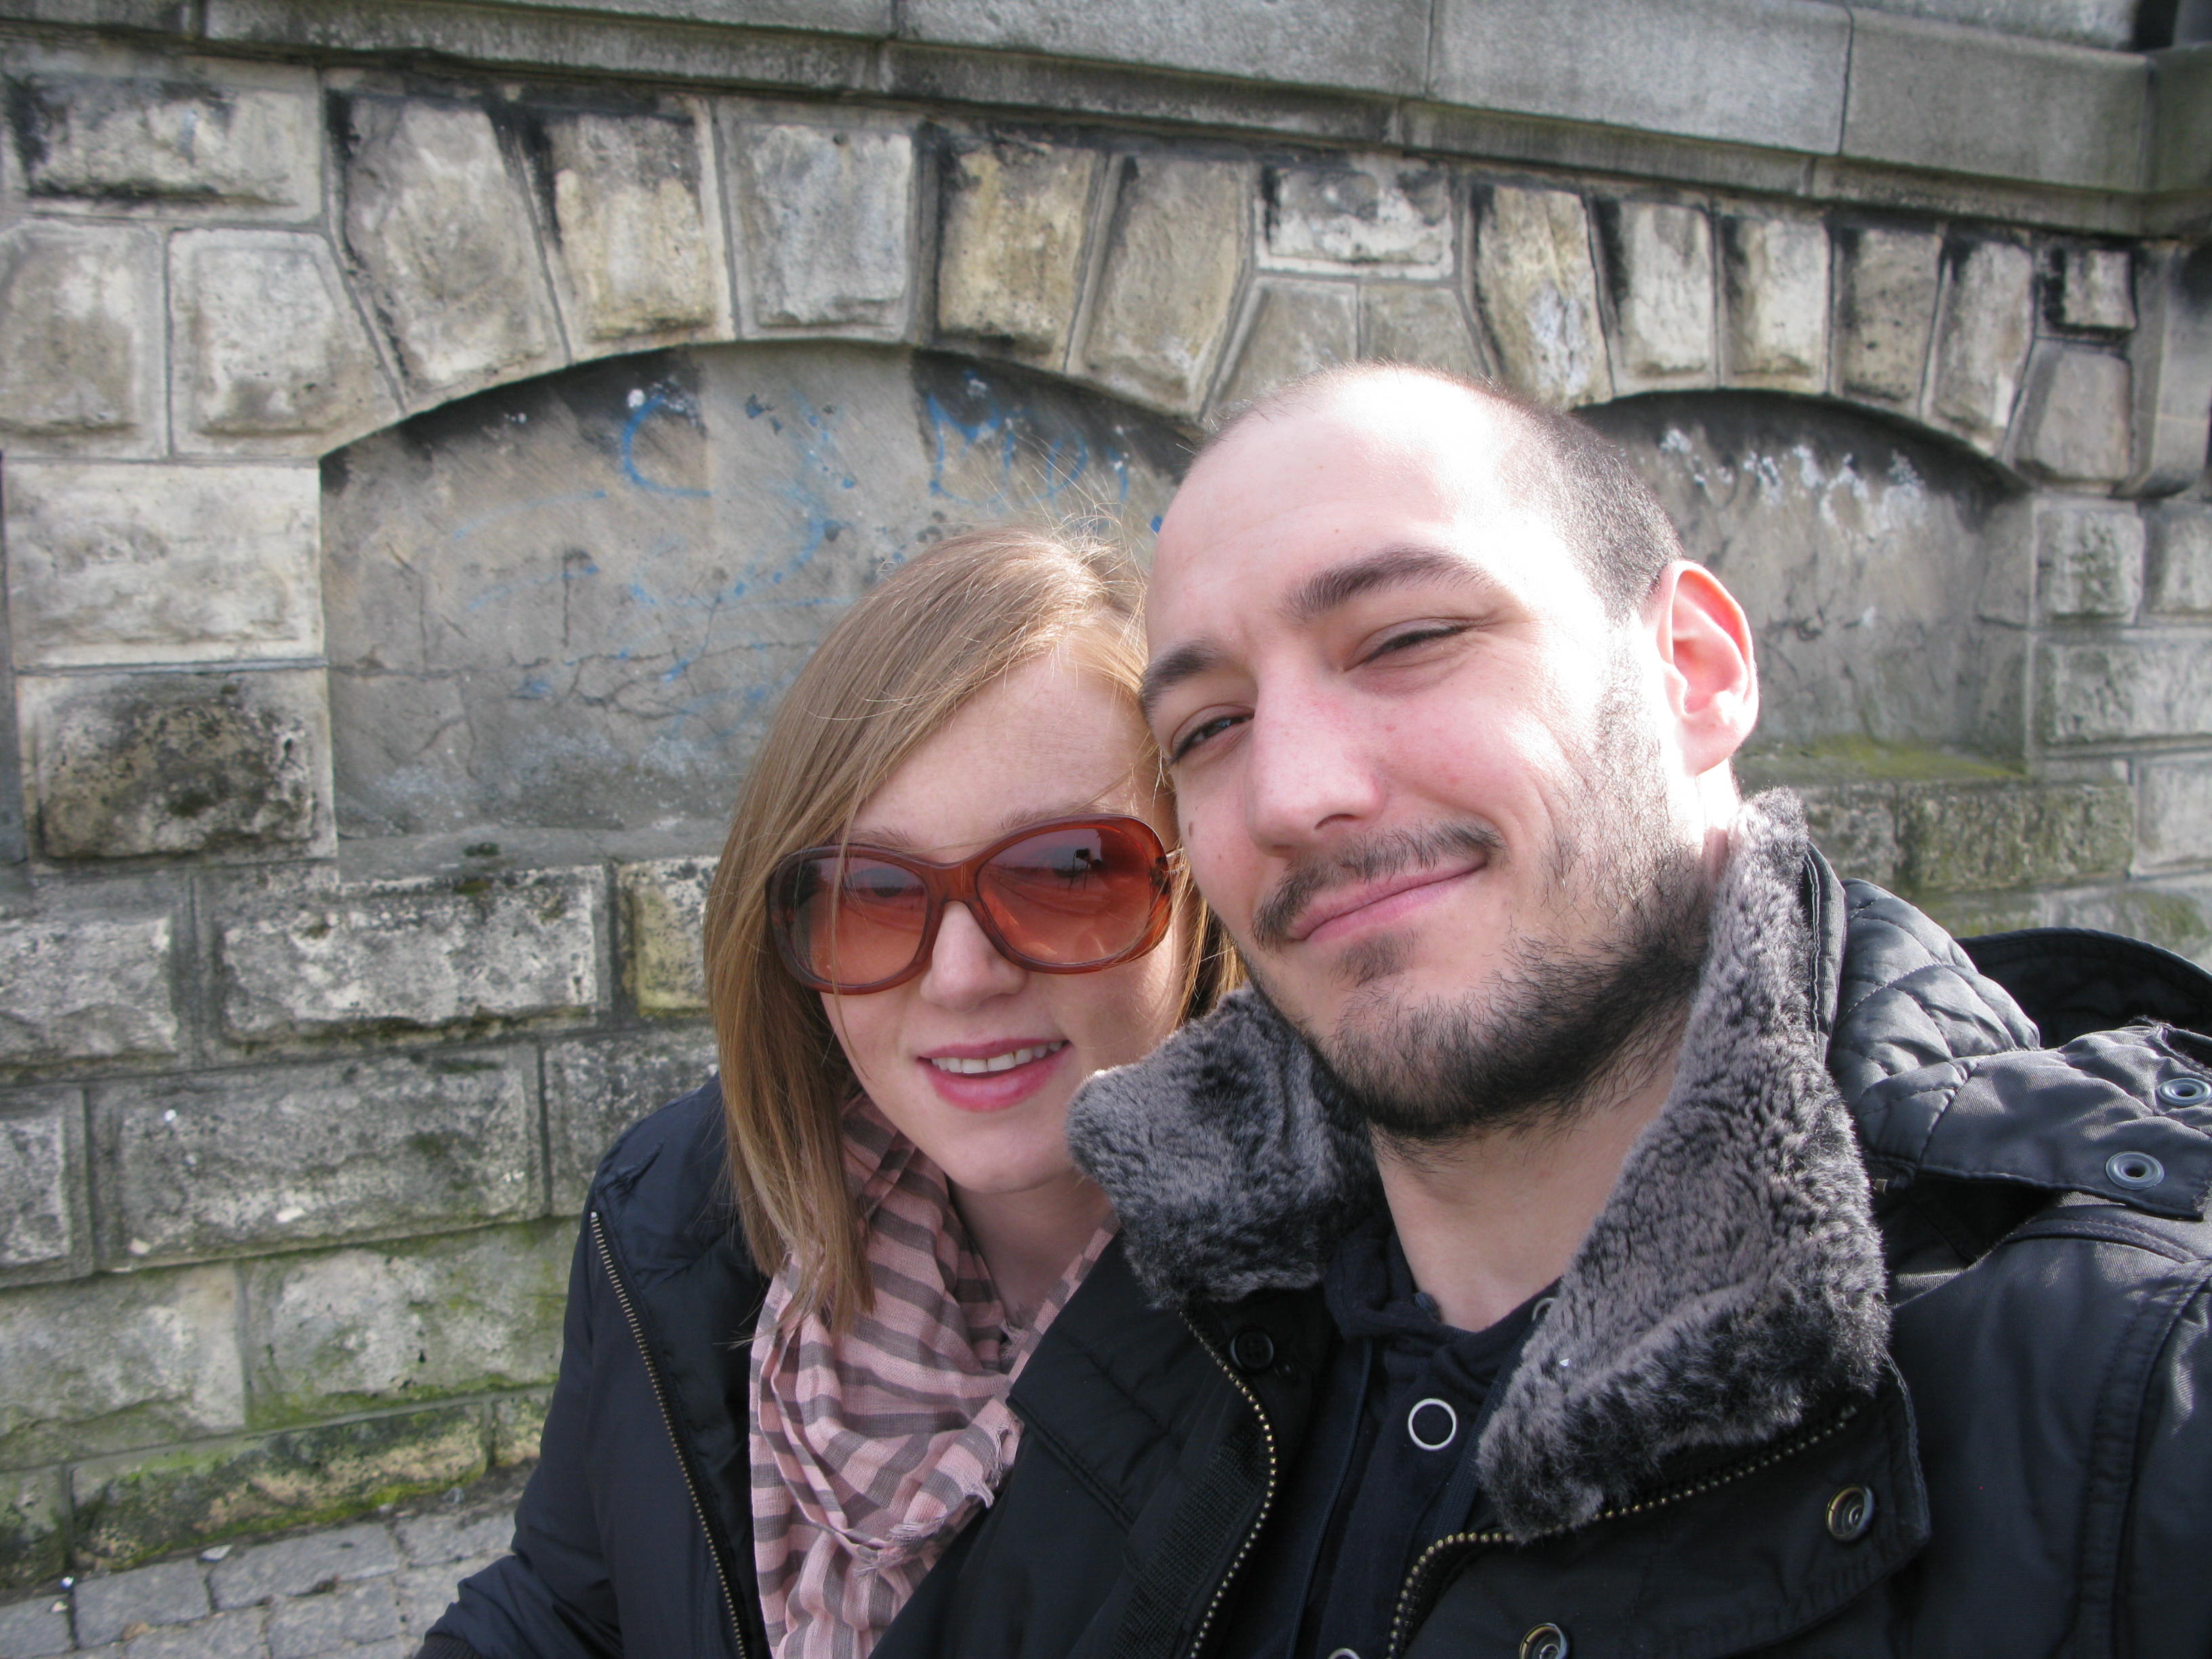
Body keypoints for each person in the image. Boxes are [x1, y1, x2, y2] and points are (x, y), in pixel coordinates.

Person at [830, 363, 2212, 1658]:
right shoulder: (1172, 1297)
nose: (1294, 793)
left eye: (1408, 639)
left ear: (1694, 670)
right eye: (1210, 729)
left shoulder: (2131, 1392)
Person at [413, 524, 1233, 1659]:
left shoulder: (1339, 1328)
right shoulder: (679, 1216)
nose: (962, 976)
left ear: (1200, 892)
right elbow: (567, 1608)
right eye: (872, 892)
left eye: (1067, 871)